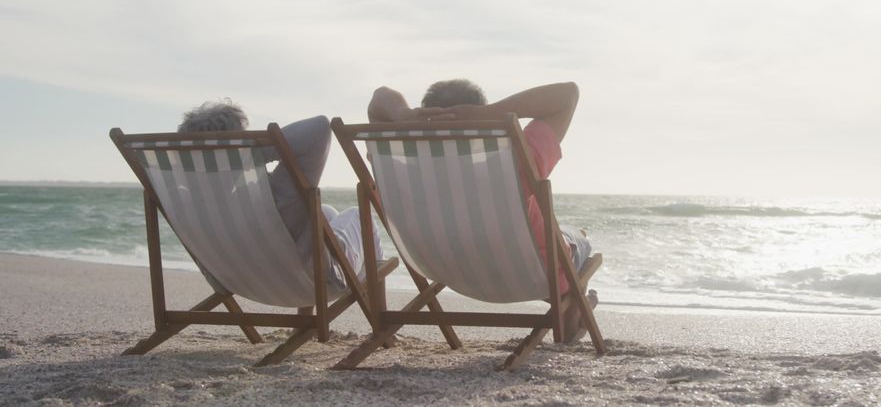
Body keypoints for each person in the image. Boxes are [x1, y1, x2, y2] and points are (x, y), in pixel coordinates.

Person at [367, 80, 597, 342]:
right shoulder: (515, 158)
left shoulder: (399, 166)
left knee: (565, 241)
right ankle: (575, 310)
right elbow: (568, 94)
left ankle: (575, 306)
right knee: (579, 240)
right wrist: (491, 113)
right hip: (533, 275)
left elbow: (379, 100)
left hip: (440, 267)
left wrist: (404, 116)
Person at [177, 100, 381, 290]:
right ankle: (380, 319)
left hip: (236, 282)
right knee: (362, 217)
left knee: (325, 213)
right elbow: (319, 128)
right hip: (309, 280)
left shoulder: (186, 204)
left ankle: (307, 319)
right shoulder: (271, 201)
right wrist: (248, 156)